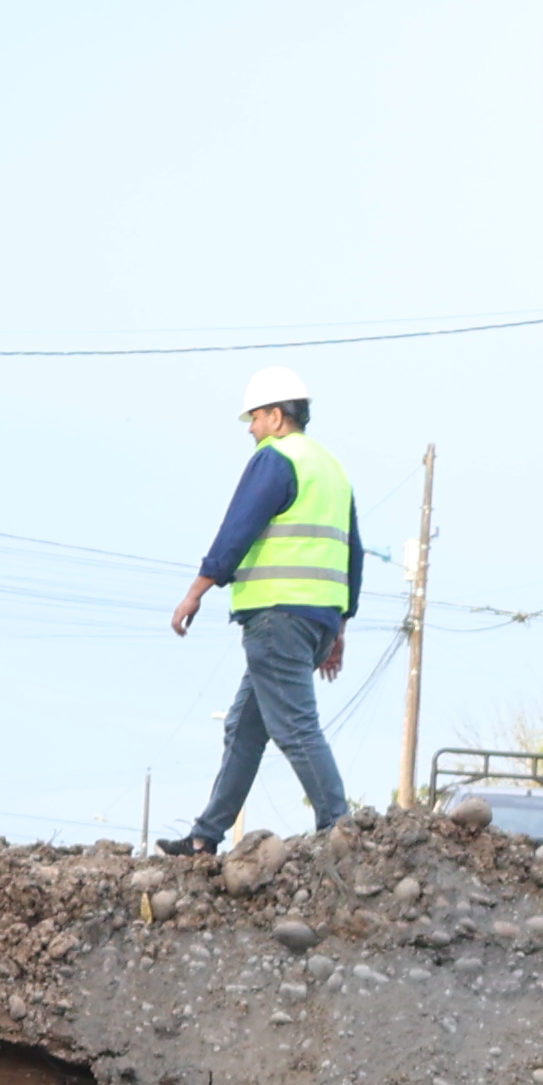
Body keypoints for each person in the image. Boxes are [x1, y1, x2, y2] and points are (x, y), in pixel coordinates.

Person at [163, 364, 359, 849]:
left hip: (278, 615)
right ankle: (205, 837)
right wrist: (339, 626)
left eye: (253, 418)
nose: (250, 429)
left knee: (294, 725)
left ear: (275, 416)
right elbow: (351, 550)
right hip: (315, 619)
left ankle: (341, 828)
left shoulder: (276, 459)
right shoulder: (331, 469)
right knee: (245, 727)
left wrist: (197, 590)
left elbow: (238, 528)